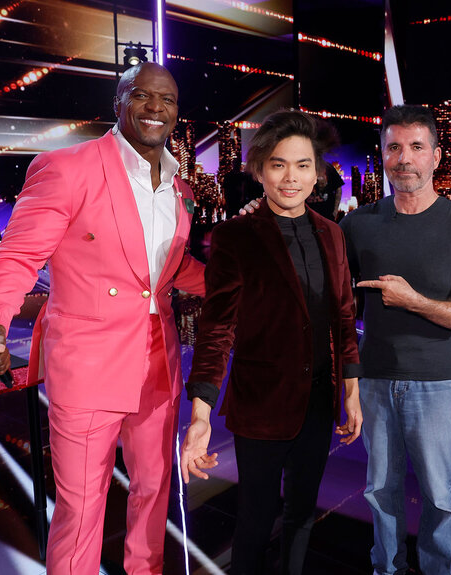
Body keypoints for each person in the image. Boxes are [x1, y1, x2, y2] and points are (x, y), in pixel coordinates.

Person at [0, 62, 206, 575]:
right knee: (81, 510)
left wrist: (254, 288)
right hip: (88, 366)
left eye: (168, 99)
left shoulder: (179, 185)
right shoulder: (68, 167)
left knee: (154, 495)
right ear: (118, 102)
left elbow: (169, 269)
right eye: (142, 95)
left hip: (158, 366)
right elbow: (17, 258)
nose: (156, 107)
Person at [180, 110, 363, 575]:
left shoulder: (333, 234)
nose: (291, 177)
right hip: (260, 403)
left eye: (303, 165)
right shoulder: (236, 236)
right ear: (259, 169)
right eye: (279, 164)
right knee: (256, 519)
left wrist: (352, 391)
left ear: (317, 173)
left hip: (318, 401)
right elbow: (217, 328)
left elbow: (344, 316)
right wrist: (201, 412)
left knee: (302, 516)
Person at [339, 105, 451, 575]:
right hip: (375, 379)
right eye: (394, 147)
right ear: (383, 155)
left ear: (436, 156)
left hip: (437, 384)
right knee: (379, 491)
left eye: (417, 147)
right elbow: (334, 306)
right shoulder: (357, 224)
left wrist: (411, 300)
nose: (405, 158)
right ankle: (387, 569)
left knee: (440, 497)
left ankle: (441, 571)